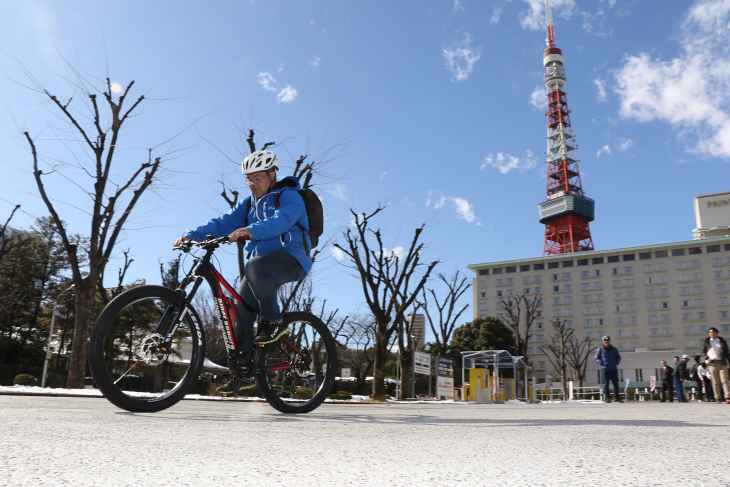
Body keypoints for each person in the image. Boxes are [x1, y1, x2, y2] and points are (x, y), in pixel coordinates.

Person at [173, 150, 312, 394]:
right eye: (248, 179)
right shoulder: (248, 203)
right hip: (260, 265)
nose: (252, 184)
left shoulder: (289, 196)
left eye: (258, 177)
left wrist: (250, 229)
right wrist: (191, 235)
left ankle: (274, 322)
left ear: (272, 174)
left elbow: (282, 221)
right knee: (239, 312)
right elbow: (224, 223)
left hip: (291, 258)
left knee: (255, 267)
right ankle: (243, 374)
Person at [701, 327, 730, 404]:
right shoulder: (706, 342)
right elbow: (703, 352)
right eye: (710, 332)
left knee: (724, 380)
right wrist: (707, 358)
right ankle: (718, 398)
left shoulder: (722, 341)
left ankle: (728, 397)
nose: (712, 334)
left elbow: (727, 353)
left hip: (722, 363)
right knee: (715, 382)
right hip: (712, 364)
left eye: (713, 332)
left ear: (717, 333)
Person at [595, 336, 622, 403]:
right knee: (606, 384)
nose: (606, 342)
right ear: (603, 342)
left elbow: (618, 357)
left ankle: (616, 397)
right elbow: (596, 358)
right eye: (605, 341)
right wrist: (601, 363)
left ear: (609, 341)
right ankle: (608, 398)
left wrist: (616, 363)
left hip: (614, 369)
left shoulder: (614, 349)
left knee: (616, 384)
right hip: (605, 370)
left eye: (608, 340)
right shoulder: (600, 350)